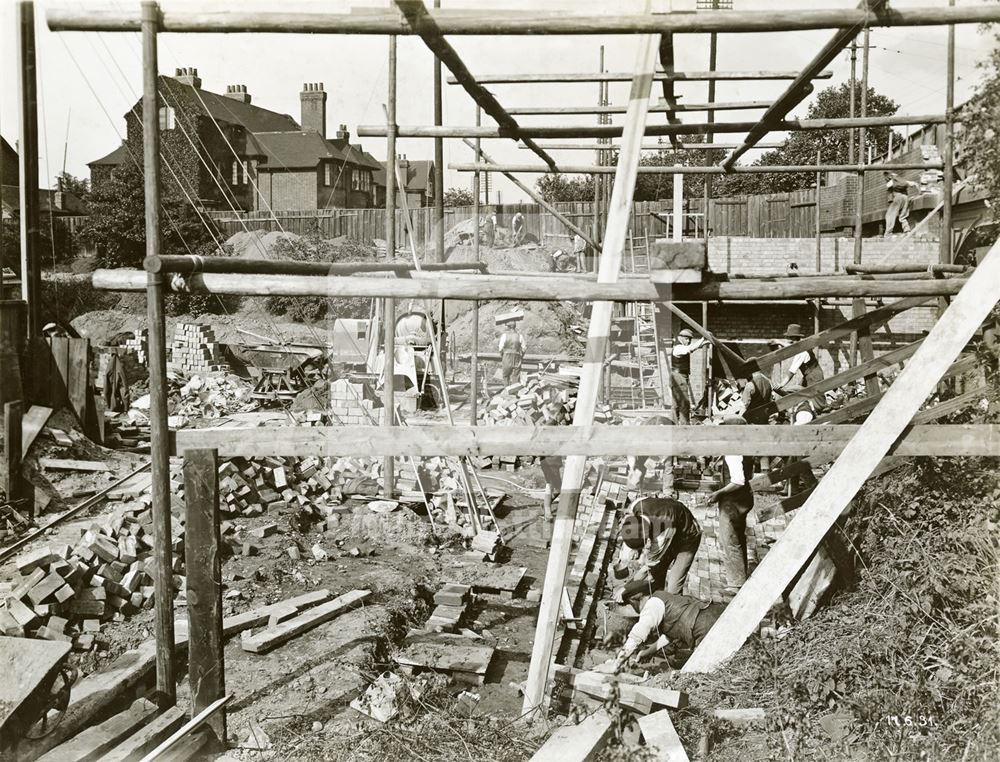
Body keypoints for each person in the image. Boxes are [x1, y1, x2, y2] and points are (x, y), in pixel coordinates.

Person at [612, 494, 702, 599]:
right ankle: (656, 594)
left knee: (673, 589)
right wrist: (634, 550)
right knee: (657, 572)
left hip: (687, 538)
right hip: (673, 523)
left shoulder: (660, 538)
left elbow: (646, 569)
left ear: (648, 540)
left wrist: (626, 587)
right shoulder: (637, 505)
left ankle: (672, 607)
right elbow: (629, 522)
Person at [610, 590, 727, 670]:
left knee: (709, 668)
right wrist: (648, 652)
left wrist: (618, 662)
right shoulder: (662, 597)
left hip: (704, 627)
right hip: (715, 613)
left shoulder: (652, 605)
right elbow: (670, 634)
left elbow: (637, 634)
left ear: (635, 600)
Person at [706, 416, 755, 592]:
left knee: (729, 539)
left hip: (734, 500)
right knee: (739, 536)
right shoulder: (744, 446)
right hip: (743, 498)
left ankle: (736, 583)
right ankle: (741, 576)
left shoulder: (733, 452)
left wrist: (718, 493)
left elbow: (738, 481)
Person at [670, 328, 707, 424]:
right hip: (679, 377)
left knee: (676, 403)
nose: (689, 341)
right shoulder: (679, 348)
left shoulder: (680, 347)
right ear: (680, 338)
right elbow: (690, 349)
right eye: (687, 339)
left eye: (690, 339)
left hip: (677, 376)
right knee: (684, 403)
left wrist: (704, 342)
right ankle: (684, 425)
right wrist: (703, 339)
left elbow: (692, 348)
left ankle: (673, 424)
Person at [773, 323, 823, 390]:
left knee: (814, 398)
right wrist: (779, 342)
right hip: (812, 375)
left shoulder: (801, 353)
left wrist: (781, 384)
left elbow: (791, 372)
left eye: (788, 338)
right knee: (798, 392)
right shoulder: (802, 345)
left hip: (813, 378)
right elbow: (791, 347)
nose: (787, 340)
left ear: (792, 338)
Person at [884, 171, 919, 236]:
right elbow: (912, 183)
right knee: (903, 216)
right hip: (905, 197)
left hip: (898, 197)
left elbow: (888, 185)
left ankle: (888, 233)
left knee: (890, 215)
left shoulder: (892, 179)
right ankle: (907, 231)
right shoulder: (901, 179)